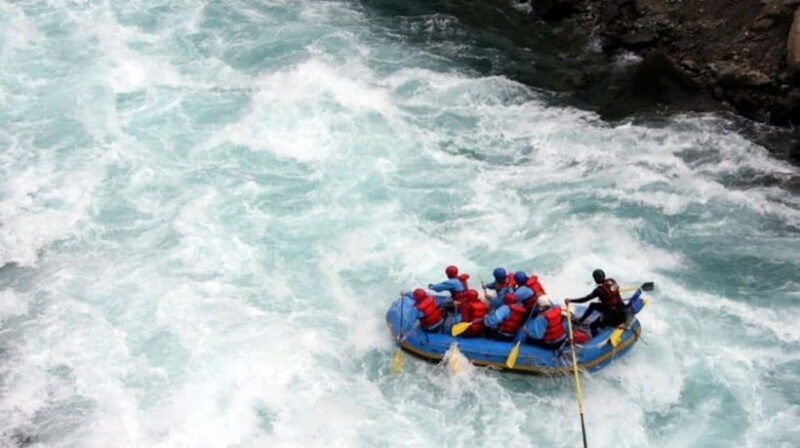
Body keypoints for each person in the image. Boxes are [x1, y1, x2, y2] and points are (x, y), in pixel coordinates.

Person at [566, 269, 626, 335]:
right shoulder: (612, 281)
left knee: (592, 326)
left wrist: (570, 300)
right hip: (622, 311)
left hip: (615, 317)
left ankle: (596, 337)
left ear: (596, 279)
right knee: (593, 305)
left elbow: (585, 299)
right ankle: (580, 321)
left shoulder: (599, 290)